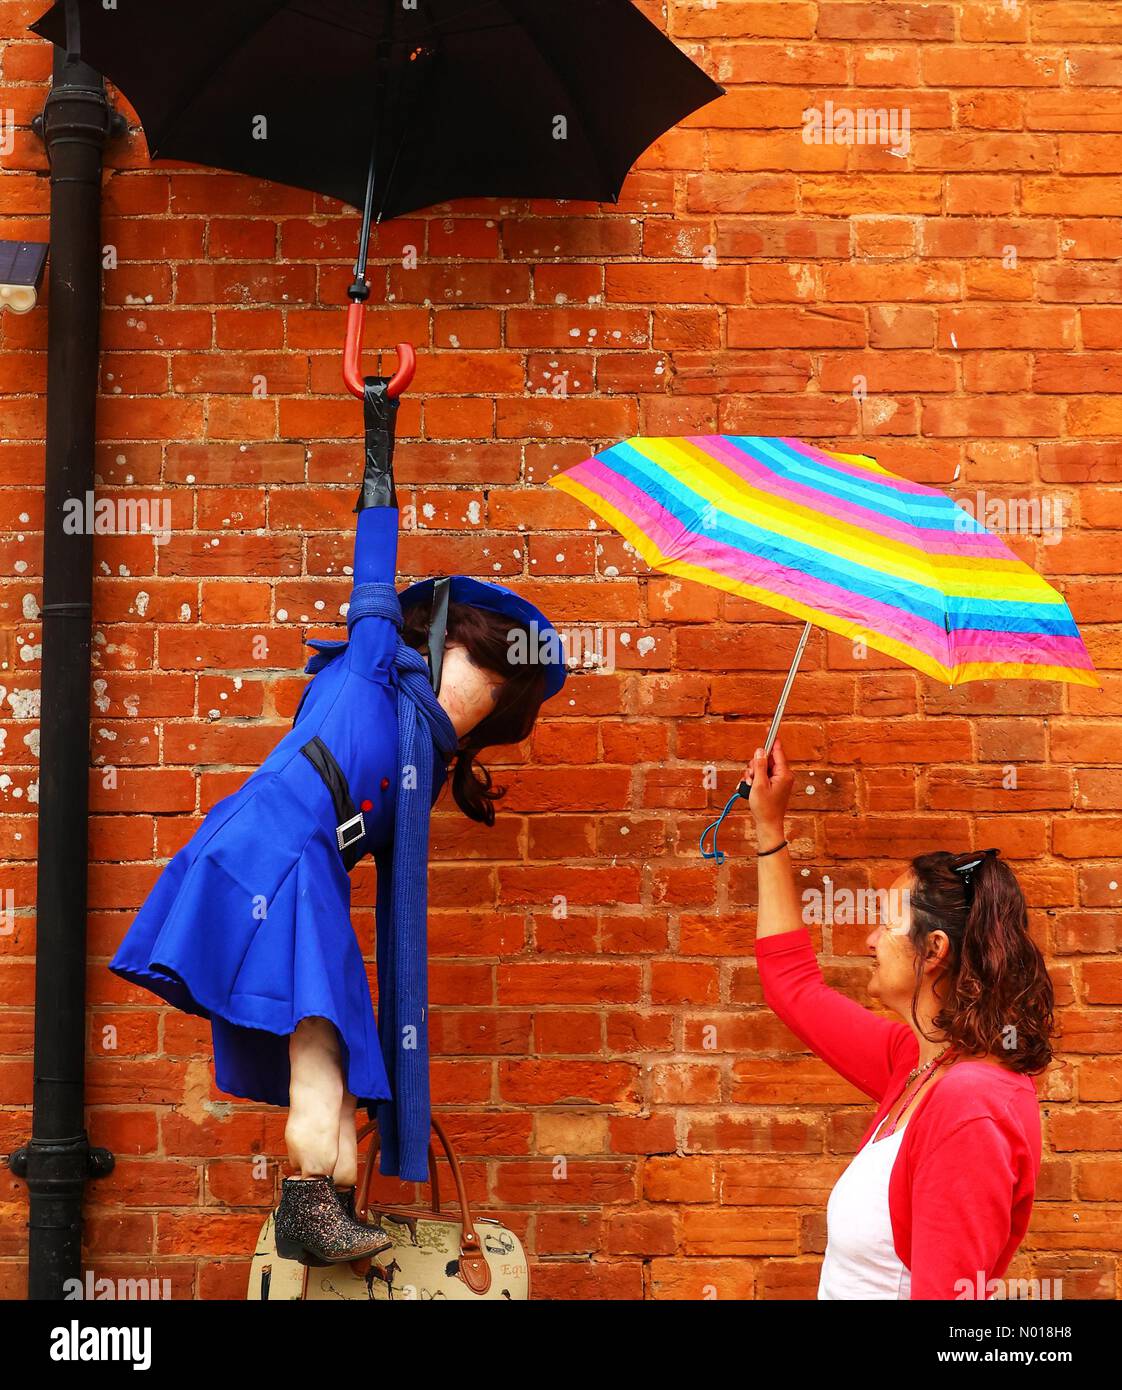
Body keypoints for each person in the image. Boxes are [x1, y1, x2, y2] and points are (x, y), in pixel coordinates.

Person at [110, 378, 567, 1266]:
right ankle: (310, 1207)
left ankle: (320, 1203)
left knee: (335, 1049)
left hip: (292, 862)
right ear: (446, 649)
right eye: (481, 657)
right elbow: (373, 563)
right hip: (278, 848)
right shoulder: (370, 666)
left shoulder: (426, 766)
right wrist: (379, 437)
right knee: (327, 1041)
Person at [745, 739, 1052, 1300]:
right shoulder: (915, 1065)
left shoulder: (970, 1105)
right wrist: (769, 828)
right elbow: (792, 987)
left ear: (932, 950)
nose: (868, 940)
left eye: (885, 924)